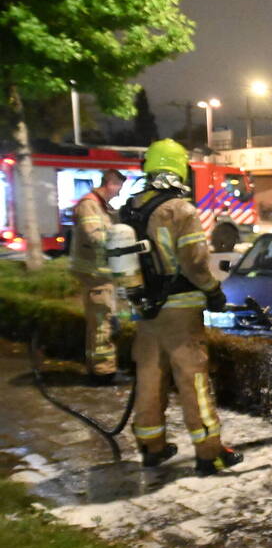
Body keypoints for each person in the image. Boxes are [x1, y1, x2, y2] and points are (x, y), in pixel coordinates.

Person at [121, 139, 242, 475]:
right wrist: (213, 291)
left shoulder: (132, 207)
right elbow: (193, 263)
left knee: (149, 375)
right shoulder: (180, 210)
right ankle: (210, 453)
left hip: (146, 309)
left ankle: (152, 447)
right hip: (180, 308)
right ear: (178, 168)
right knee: (194, 379)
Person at [70, 168, 128, 385]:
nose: (119, 193)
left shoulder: (98, 204)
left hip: (99, 274)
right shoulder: (90, 204)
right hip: (95, 274)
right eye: (118, 188)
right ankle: (103, 372)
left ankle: (98, 369)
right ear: (110, 183)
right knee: (103, 322)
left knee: (99, 322)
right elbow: (96, 236)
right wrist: (122, 243)